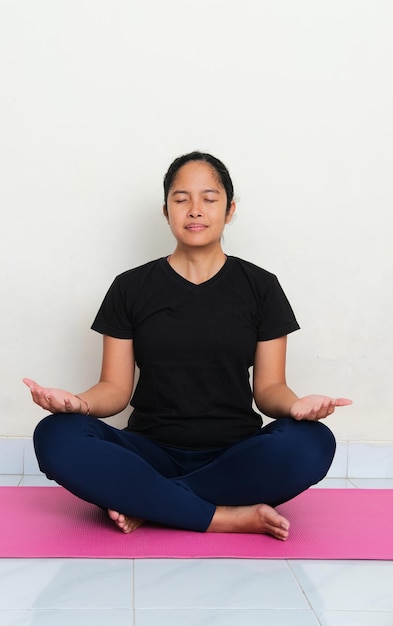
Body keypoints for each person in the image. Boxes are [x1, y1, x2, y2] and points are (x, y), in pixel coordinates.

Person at [24, 151, 352, 541]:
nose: (195, 210)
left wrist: (298, 407)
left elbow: (269, 391)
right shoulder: (130, 287)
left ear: (229, 210)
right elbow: (113, 389)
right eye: (181, 199)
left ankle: (151, 503)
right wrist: (77, 404)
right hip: (148, 452)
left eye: (209, 199)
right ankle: (223, 517)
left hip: (236, 453)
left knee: (313, 442)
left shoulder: (261, 287)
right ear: (166, 211)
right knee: (55, 435)